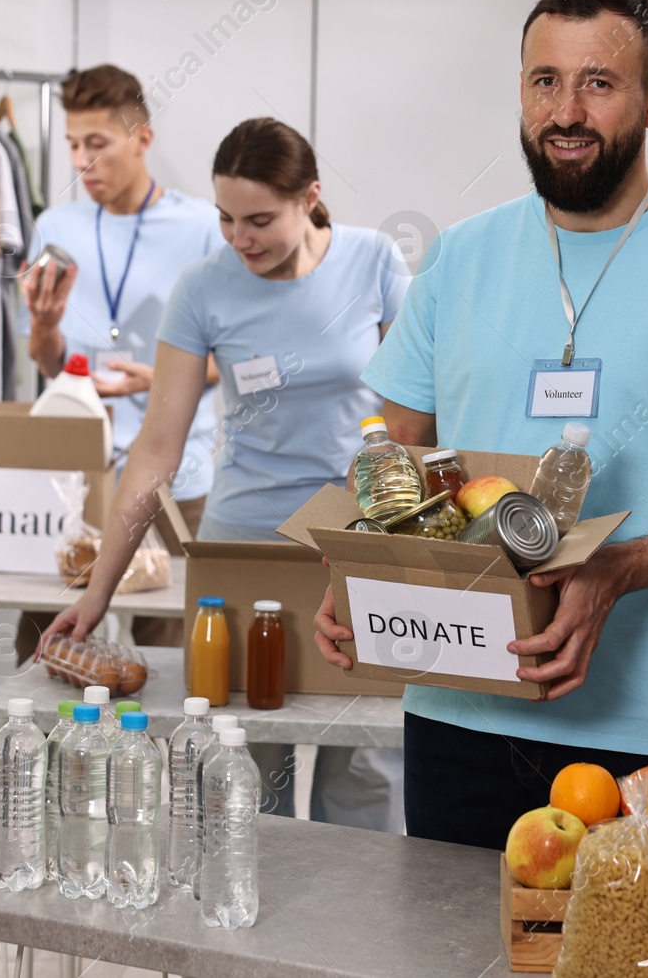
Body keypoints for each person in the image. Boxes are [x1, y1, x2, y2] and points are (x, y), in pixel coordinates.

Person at [313, 0, 648, 851]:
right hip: (456, 706)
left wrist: (615, 568)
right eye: (545, 81)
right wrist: (360, 569)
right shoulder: (458, 261)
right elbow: (395, 451)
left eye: (599, 83)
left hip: (638, 737)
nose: (566, 111)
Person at [41, 117, 411, 832]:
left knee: (364, 768)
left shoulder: (373, 262)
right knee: (239, 767)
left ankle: (347, 942)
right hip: (245, 547)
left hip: (359, 543)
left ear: (311, 196)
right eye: (226, 219)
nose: (240, 238)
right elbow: (156, 451)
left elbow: (414, 424)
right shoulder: (204, 288)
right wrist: (98, 592)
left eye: (261, 219)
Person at [15, 64, 224, 655]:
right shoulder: (56, 226)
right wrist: (44, 327)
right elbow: (46, 360)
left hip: (176, 466)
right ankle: (44, 747)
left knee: (170, 637)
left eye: (98, 144)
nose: (82, 161)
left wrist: (168, 382)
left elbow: (231, 357)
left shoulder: (204, 227)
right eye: (73, 145)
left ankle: (155, 751)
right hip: (75, 462)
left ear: (142, 138)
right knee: (49, 628)